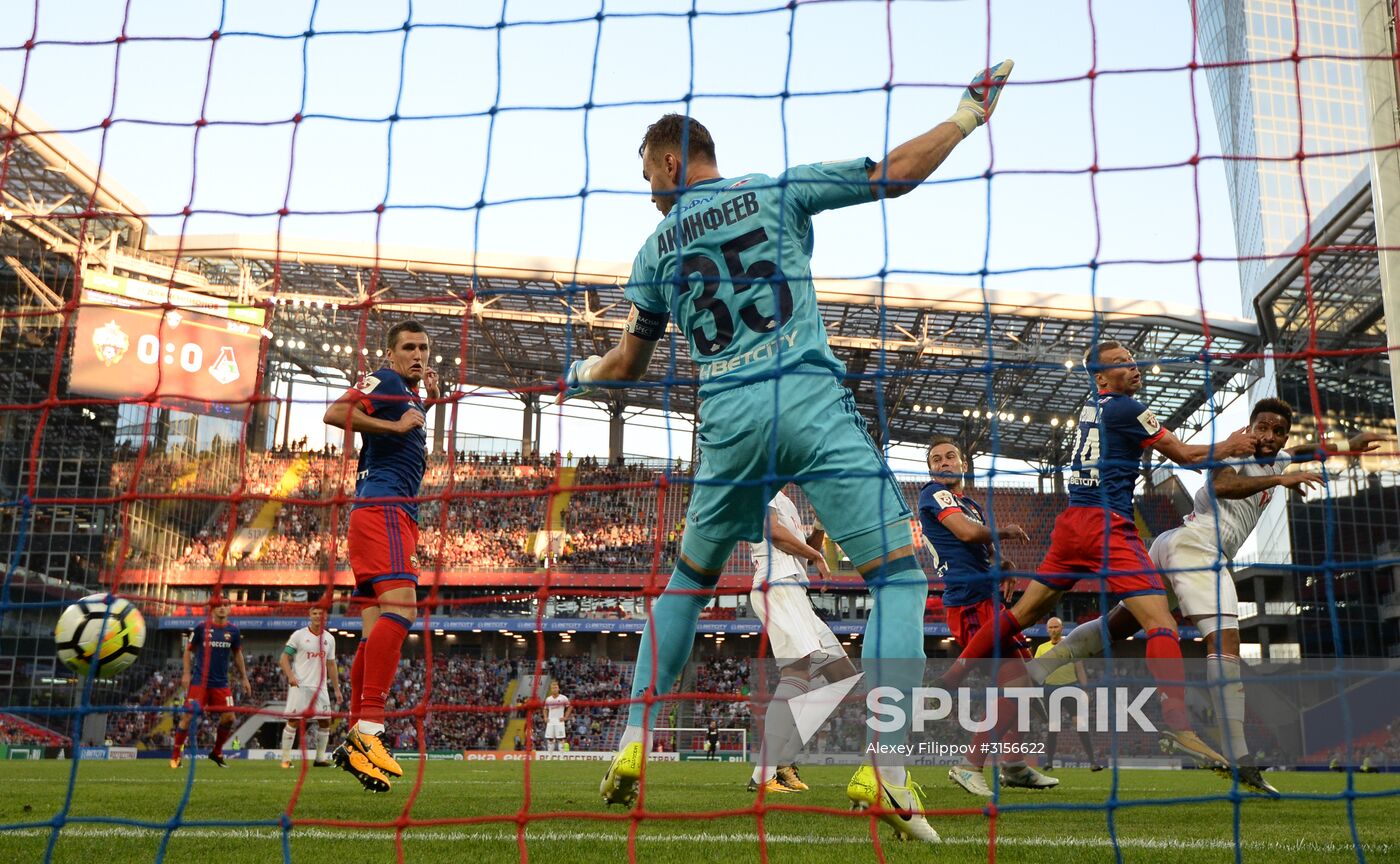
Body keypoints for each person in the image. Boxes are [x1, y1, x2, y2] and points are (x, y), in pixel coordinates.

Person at [568, 60, 1015, 845]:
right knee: (899, 581)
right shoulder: (778, 190)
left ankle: (636, 738)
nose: (649, 192)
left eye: (648, 175)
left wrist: (579, 372)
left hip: (730, 424)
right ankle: (886, 768)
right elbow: (897, 174)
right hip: (808, 401)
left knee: (688, 581)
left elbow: (627, 367)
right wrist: (968, 115)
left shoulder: (655, 249)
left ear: (673, 161)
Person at [1025, 397, 1383, 793]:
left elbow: (1303, 451)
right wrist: (1280, 480)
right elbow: (1223, 485)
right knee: (1227, 641)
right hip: (1199, 550)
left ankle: (1037, 670)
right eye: (1262, 427)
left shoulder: (1278, 459)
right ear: (1250, 427)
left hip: (1172, 545)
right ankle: (1240, 756)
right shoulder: (1235, 450)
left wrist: (1348, 443)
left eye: (1277, 431)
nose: (1268, 436)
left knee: (1119, 624)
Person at [940, 340, 1257, 772]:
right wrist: (1230, 446)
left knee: (1021, 616)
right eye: (1120, 364)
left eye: (1132, 360)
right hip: (1108, 526)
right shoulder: (1129, 408)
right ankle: (1178, 722)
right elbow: (1184, 455)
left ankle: (957, 676)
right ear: (1101, 378)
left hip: (1071, 524)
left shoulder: (1092, 410)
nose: (1133, 366)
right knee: (1161, 623)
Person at [323, 319, 438, 793]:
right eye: (408, 347)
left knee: (373, 632)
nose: (418, 354)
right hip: (383, 508)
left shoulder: (410, 393)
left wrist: (426, 400)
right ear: (391, 354)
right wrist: (394, 421)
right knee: (403, 609)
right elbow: (334, 413)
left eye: (424, 348)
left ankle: (354, 737)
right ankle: (370, 728)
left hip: (387, 512)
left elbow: (407, 425)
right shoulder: (386, 380)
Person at [919, 437, 1056, 796]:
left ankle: (1013, 765)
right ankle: (970, 765)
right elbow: (965, 533)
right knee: (1019, 686)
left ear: (963, 464)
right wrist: (1005, 530)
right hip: (968, 603)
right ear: (931, 469)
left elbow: (986, 551)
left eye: (951, 456)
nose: (944, 462)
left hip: (987, 599)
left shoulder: (971, 504)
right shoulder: (933, 495)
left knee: (1027, 681)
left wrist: (1004, 563)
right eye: (937, 459)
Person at [745, 488, 854, 795]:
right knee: (798, 673)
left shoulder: (788, 501)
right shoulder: (762, 483)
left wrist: (819, 527)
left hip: (796, 592)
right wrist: (817, 555)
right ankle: (763, 774)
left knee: (842, 675)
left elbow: (800, 547)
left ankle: (783, 761)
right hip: (775, 585)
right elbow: (774, 533)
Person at [170, 599, 252, 769]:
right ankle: (176, 755)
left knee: (229, 717)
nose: (222, 608)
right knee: (188, 716)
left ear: (229, 609)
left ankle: (217, 752)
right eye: (218, 605)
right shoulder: (202, 628)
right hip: (200, 682)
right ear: (212, 609)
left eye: (225, 605)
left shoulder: (233, 631)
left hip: (221, 683)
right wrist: (186, 673)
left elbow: (237, 654)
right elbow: (188, 650)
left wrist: (244, 677)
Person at [1034, 617, 1101, 772]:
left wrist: (1085, 690)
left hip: (1070, 687)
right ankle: (1049, 763)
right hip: (1050, 689)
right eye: (1050, 627)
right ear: (1047, 629)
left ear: (1062, 628)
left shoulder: (1072, 645)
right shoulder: (1041, 648)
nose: (1053, 630)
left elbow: (1080, 669)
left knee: (1081, 724)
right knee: (1053, 727)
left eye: (1056, 627)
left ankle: (1092, 762)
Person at [278, 606, 340, 768]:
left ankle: (320, 759)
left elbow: (331, 665)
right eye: (315, 613)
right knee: (294, 721)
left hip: (320, 687)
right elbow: (284, 659)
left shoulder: (330, 639)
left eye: (321, 613)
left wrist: (337, 688)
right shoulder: (299, 635)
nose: (318, 616)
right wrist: (291, 676)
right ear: (310, 615)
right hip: (301, 685)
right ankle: (285, 759)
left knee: (325, 722)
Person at [544, 681, 572, 753]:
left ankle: (561, 757)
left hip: (559, 721)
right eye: (553, 688)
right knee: (550, 739)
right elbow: (545, 709)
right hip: (550, 721)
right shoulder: (548, 699)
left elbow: (570, 707)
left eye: (556, 688)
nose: (554, 689)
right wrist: (545, 717)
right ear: (551, 689)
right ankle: (549, 757)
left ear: (558, 688)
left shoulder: (563, 698)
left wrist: (565, 717)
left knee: (561, 739)